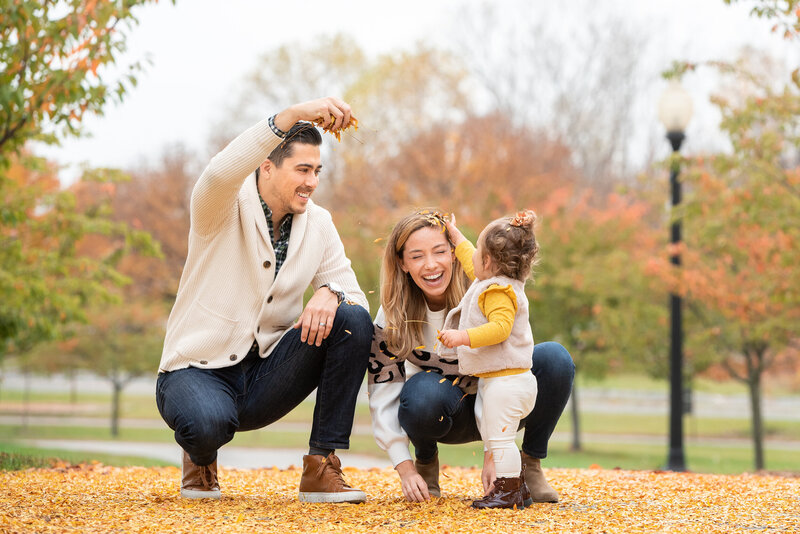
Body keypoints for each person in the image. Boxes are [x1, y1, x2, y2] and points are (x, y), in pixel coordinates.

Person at [156, 97, 372, 503]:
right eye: (303, 170)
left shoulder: (319, 224)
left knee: (350, 319)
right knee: (207, 425)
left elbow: (357, 301)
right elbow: (221, 172)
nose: (312, 181)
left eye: (317, 171)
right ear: (267, 167)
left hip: (266, 377)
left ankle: (321, 467)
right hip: (196, 371)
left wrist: (331, 292)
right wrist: (289, 116)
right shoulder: (219, 206)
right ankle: (200, 458)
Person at [368, 209, 574, 504]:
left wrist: (494, 453)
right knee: (422, 391)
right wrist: (405, 467)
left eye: (440, 251)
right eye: (416, 256)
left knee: (554, 358)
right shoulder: (391, 315)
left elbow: (501, 370)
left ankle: (526, 466)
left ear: (453, 254)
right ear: (401, 263)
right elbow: (383, 390)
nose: (431, 265)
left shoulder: (484, 287)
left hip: (497, 402)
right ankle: (426, 462)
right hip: (441, 411)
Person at [437, 210, 539, 509]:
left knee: (500, 440)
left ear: (489, 263)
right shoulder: (494, 279)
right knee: (498, 435)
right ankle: (518, 489)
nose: (473, 259)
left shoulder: (497, 291)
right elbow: (470, 257)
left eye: (479, 253)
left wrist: (463, 337)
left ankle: (506, 490)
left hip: (508, 384)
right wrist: (455, 236)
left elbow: (500, 329)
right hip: (503, 382)